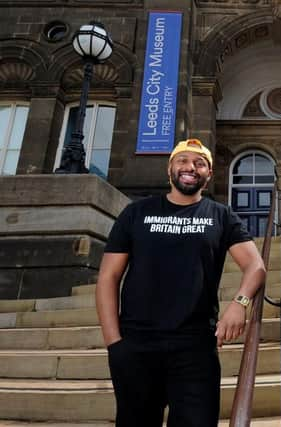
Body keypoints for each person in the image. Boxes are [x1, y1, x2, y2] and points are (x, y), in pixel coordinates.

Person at [95, 138, 266, 427]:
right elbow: (108, 277)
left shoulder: (221, 215)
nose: (191, 168)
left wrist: (240, 303)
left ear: (209, 174)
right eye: (183, 161)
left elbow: (256, 265)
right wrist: (115, 344)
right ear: (170, 169)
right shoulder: (137, 212)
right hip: (136, 345)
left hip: (195, 347)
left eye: (200, 163)